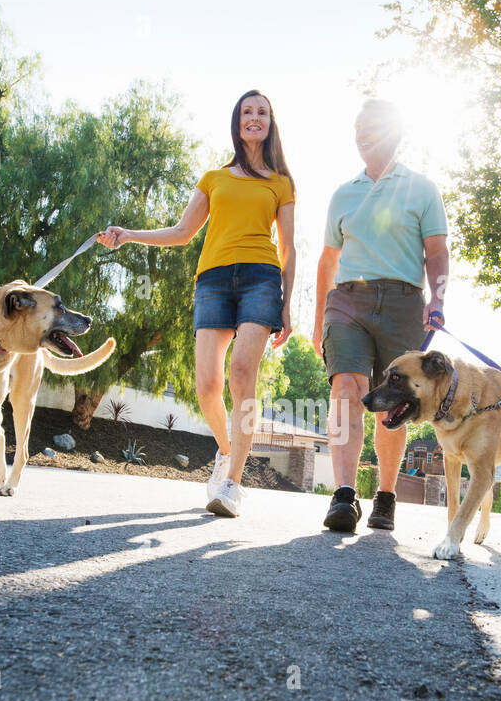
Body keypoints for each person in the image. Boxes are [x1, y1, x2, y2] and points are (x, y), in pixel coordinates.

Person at [98, 90, 295, 517]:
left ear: (270, 122)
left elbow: (290, 248)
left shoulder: (281, 181)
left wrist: (287, 303)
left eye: (261, 112)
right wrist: (129, 234)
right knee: (206, 385)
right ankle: (228, 450)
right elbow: (183, 232)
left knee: (242, 371)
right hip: (213, 280)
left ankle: (233, 483)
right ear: (237, 122)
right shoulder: (213, 178)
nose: (254, 118)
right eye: (247, 112)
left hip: (261, 278)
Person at [314, 99, 449, 532]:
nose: (361, 133)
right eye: (357, 126)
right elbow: (327, 261)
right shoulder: (344, 193)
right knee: (347, 388)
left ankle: (386, 497)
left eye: (371, 126)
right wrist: (319, 321)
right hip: (347, 302)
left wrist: (438, 302)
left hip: (403, 302)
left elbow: (437, 253)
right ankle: (343, 496)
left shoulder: (422, 188)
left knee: (393, 402)